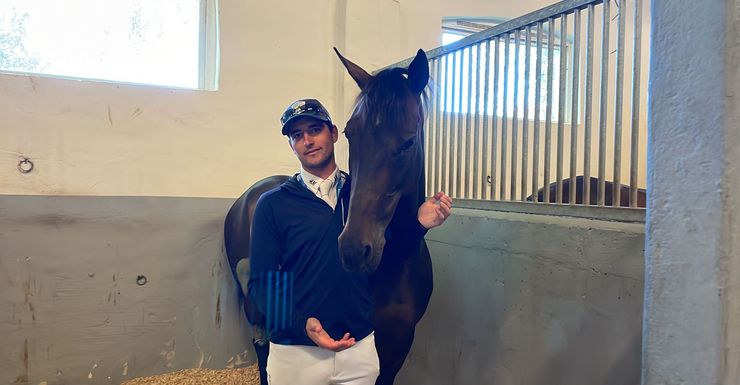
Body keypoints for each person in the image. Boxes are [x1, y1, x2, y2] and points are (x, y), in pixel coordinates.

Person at [248, 98, 452, 385]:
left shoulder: (361, 196)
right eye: (297, 135)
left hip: (358, 352)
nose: (307, 140)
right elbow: (261, 284)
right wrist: (301, 324)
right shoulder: (273, 204)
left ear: (333, 133)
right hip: (296, 352)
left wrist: (419, 224)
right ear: (292, 146)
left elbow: (389, 259)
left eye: (314, 130)